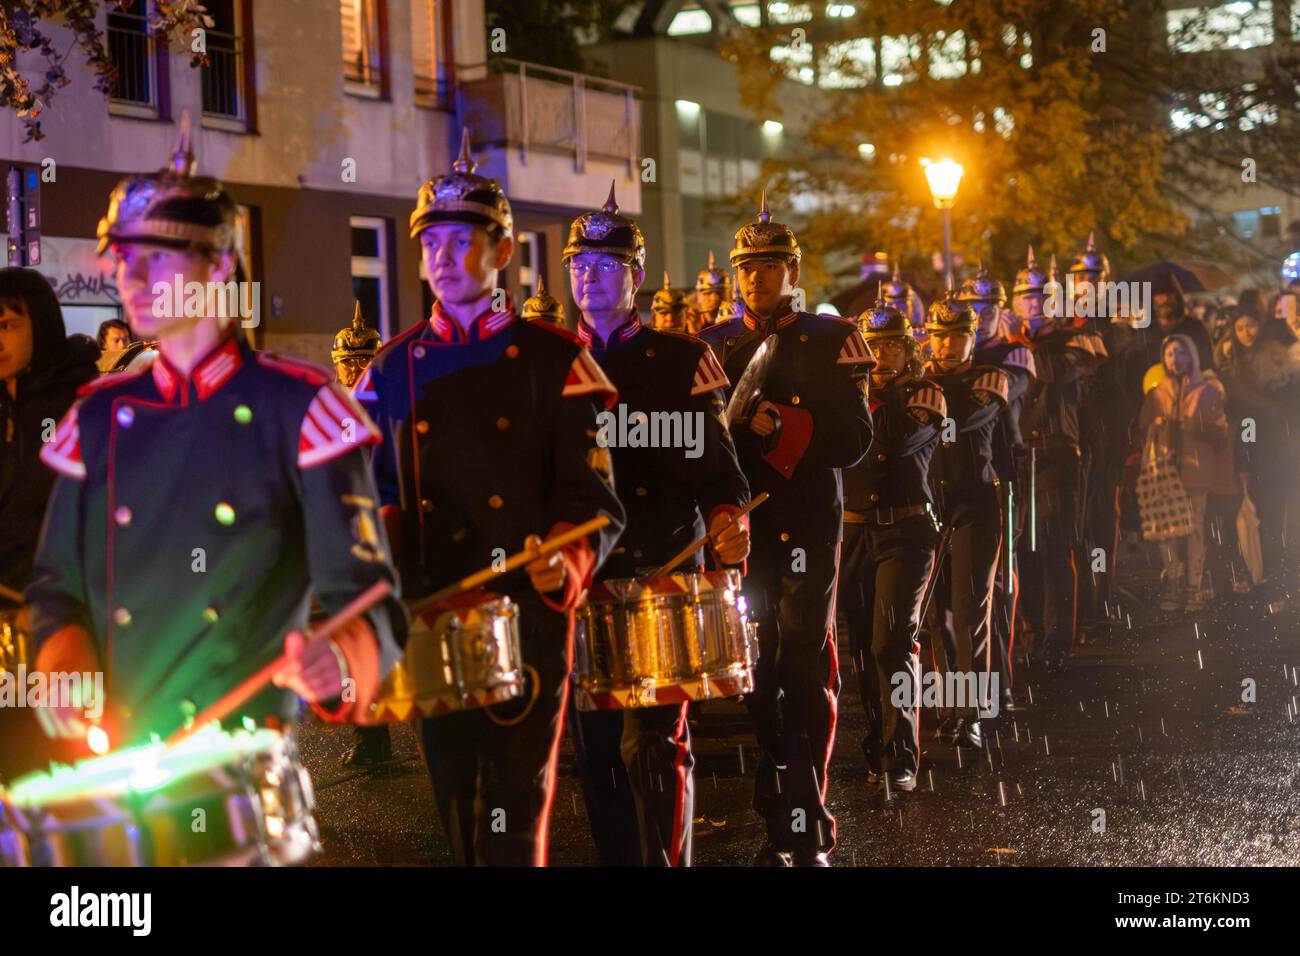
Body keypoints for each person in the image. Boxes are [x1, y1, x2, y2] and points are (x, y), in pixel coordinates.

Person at [26, 115, 405, 751]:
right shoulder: (95, 415)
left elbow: (369, 601)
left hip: (241, 754)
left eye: (158, 256)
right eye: (124, 259)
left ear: (220, 263)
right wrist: (61, 655)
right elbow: (55, 587)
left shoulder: (300, 408)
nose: (134, 279)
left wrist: (339, 655)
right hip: (119, 749)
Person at [353, 130, 625, 866]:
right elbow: (367, 493)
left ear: (502, 251)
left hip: (527, 617)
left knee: (513, 811)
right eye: (430, 243)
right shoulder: (387, 369)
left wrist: (567, 561)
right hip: (431, 610)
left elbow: (596, 495)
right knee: (457, 814)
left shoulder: (557, 360)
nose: (442, 259)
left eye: (461, 242)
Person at [563, 184, 750, 867]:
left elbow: (723, 474)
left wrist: (730, 519)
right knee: (596, 753)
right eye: (579, 264)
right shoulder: (550, 362)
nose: (589, 276)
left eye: (605, 265)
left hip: (659, 572)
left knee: (656, 744)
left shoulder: (679, 361)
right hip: (583, 581)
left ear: (636, 277)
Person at [698, 193, 875, 866]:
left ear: (793, 271)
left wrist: (784, 426)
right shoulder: (711, 346)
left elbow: (855, 440)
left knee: (804, 663)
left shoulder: (830, 340)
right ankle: (772, 788)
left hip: (805, 524)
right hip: (738, 527)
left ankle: (805, 813)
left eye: (771, 267)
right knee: (752, 668)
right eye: (747, 268)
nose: (756, 278)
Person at [838, 300, 943, 791]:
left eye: (891, 345)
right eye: (872, 345)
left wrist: (855, 392)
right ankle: (876, 745)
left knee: (892, 642)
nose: (881, 354)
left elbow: (893, 440)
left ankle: (902, 754)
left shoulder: (926, 394)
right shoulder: (847, 392)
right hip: (852, 530)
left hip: (905, 532)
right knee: (861, 648)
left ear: (907, 350)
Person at [0, 267, 99, 782]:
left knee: (61, 773)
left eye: (8, 325)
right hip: (3, 635)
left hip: (60, 627)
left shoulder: (77, 405)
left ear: (40, 323)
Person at [924, 287, 1010, 748]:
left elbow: (1003, 449)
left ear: (971, 340)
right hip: (930, 505)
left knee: (970, 612)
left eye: (956, 337)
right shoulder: (919, 383)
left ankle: (972, 711)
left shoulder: (989, 380)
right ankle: (949, 707)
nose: (947, 345)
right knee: (938, 616)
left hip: (975, 501)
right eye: (940, 336)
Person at [1016, 254, 1107, 672]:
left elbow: (1058, 374)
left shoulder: (1077, 340)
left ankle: (1057, 641)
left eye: (1040, 298)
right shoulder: (1010, 345)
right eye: (1025, 298)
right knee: (1024, 553)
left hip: (1059, 453)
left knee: (1056, 549)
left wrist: (1035, 342)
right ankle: (1034, 630)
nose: (1032, 306)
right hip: (1019, 457)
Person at [962, 259, 1036, 714]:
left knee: (1001, 585)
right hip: (958, 479)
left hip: (1002, 477)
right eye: (975, 305)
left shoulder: (1015, 352)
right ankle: (963, 693)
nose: (983, 312)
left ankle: (1001, 683)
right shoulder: (956, 356)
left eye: (990, 305)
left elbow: (1005, 390)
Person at [1138, 334, 1236, 611]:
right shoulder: (1157, 393)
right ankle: (1173, 584)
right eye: (1169, 353)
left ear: (1191, 355)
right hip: (1165, 470)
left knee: (1194, 527)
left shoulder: (1206, 392)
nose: (1175, 358)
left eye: (1181, 352)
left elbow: (1221, 431)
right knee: (1168, 529)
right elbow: (1141, 426)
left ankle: (1193, 587)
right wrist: (1156, 426)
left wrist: (1197, 427)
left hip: (1196, 470)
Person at [692, 251, 733, 329]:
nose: (714, 299)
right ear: (698, 296)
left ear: (729, 294)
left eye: (719, 293)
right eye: (707, 293)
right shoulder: (690, 323)